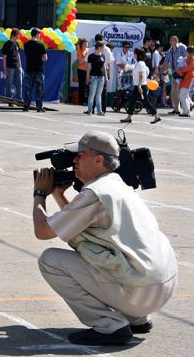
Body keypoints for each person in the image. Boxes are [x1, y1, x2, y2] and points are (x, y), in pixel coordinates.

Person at [33, 130, 177, 346]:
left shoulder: (94, 193)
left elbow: (43, 231)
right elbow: (76, 223)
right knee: (102, 253)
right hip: (159, 289)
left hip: (140, 291)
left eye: (80, 155)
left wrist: (40, 193)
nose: (74, 160)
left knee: (50, 260)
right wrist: (58, 194)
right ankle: (136, 319)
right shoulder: (117, 185)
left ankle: (110, 326)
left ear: (98, 159)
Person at [120, 48, 161, 124]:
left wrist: (139, 86)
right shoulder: (138, 63)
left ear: (137, 55)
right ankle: (129, 117)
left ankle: (156, 115)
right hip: (137, 86)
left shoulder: (140, 63)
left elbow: (141, 75)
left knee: (146, 101)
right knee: (132, 100)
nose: (133, 55)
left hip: (141, 86)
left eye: (135, 53)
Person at [23, 28, 47, 112]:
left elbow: (27, 55)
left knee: (28, 89)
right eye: (39, 34)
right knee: (39, 89)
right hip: (39, 69)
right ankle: (39, 107)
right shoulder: (40, 45)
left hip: (29, 69)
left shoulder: (26, 45)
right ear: (37, 34)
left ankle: (26, 106)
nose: (39, 35)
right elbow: (45, 58)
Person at [163, 36, 187, 114]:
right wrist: (159, 72)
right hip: (174, 74)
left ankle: (187, 106)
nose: (171, 41)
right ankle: (176, 109)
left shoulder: (182, 47)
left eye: (172, 40)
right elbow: (165, 64)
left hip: (183, 74)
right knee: (173, 93)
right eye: (170, 40)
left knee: (179, 92)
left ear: (177, 40)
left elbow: (189, 57)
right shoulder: (169, 51)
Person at [84, 41, 108, 116]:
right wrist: (87, 78)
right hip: (93, 77)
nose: (104, 48)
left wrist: (106, 76)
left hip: (101, 77)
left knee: (99, 95)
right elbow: (89, 68)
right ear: (99, 47)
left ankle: (99, 111)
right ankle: (90, 110)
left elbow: (104, 67)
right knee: (92, 94)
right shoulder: (91, 56)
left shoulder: (103, 56)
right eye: (103, 47)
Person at [1, 28, 23, 102]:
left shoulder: (16, 44)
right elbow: (4, 58)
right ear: (13, 35)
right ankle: (9, 100)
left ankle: (19, 99)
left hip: (17, 67)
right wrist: (4, 69)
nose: (18, 37)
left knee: (19, 84)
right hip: (9, 67)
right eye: (17, 35)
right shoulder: (6, 45)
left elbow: (18, 55)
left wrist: (20, 66)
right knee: (9, 84)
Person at [175, 45, 194, 117]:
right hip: (183, 79)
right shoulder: (185, 59)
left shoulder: (192, 60)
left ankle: (186, 112)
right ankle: (186, 111)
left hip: (189, 79)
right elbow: (180, 67)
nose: (186, 53)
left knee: (182, 96)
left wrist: (180, 69)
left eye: (187, 51)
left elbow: (188, 68)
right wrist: (180, 70)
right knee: (184, 96)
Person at [75, 38, 89, 105]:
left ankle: (86, 100)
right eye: (84, 44)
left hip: (88, 70)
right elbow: (80, 61)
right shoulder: (79, 51)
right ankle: (81, 101)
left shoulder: (88, 50)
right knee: (82, 86)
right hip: (81, 70)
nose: (86, 45)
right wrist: (86, 56)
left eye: (87, 43)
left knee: (87, 86)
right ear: (82, 45)